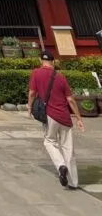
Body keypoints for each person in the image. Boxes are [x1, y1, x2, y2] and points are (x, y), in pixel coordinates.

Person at [28, 50, 84, 189]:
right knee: (68, 148)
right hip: (64, 116)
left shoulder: (36, 73)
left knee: (49, 141)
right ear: (53, 61)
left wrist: (30, 107)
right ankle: (73, 182)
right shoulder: (60, 76)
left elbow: (32, 93)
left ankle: (61, 166)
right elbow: (70, 99)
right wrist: (78, 118)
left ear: (41, 60)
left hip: (49, 115)